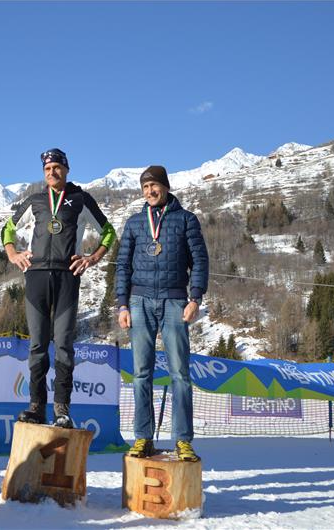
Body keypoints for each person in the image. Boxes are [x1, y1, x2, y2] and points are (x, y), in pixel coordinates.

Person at [1, 148, 117, 428]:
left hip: (68, 276)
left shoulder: (81, 199)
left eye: (57, 167)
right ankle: (36, 407)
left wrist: (92, 258)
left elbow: (109, 232)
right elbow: (7, 229)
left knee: (64, 345)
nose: (52, 172)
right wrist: (13, 254)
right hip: (36, 276)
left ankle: (62, 409)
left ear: (66, 169)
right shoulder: (35, 201)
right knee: (37, 345)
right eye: (47, 169)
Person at [115, 165, 209, 462]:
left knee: (180, 374)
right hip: (139, 301)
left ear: (166, 187)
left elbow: (199, 260)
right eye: (145, 187)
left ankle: (182, 440)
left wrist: (195, 298)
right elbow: (122, 266)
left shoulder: (186, 220)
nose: (150, 191)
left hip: (174, 301)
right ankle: (143, 437)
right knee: (141, 373)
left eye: (154, 186)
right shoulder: (134, 223)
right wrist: (122, 304)